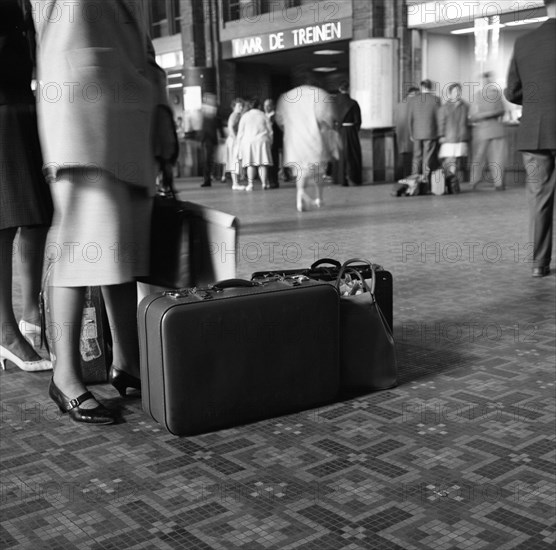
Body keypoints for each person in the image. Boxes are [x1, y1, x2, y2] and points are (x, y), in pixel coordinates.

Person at [34, 0, 177, 424]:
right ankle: (65, 376)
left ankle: (128, 362)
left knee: (122, 245)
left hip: (128, 111)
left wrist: (161, 108)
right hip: (83, 105)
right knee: (81, 243)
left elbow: (138, 37)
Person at [0, 0, 53, 373]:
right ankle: (5, 331)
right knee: (3, 223)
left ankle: (31, 317)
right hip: (2, 104)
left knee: (37, 216)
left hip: (25, 103)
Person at [505, 0, 556, 277]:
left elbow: (512, 91)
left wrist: (537, 101)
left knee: (539, 199)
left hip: (535, 132)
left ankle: (539, 264)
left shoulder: (524, 42)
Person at [276, 74, 336, 212]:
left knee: (300, 171)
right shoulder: (320, 95)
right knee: (317, 171)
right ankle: (319, 198)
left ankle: (299, 198)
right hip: (315, 139)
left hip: (295, 141)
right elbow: (326, 121)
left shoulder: (287, 97)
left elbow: (280, 121)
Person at [469, 71, 507, 191]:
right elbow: (502, 111)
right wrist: (492, 113)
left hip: (483, 131)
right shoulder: (497, 95)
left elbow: (473, 116)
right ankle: (498, 183)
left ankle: (474, 182)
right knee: (497, 158)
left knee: (479, 158)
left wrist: (484, 115)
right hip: (497, 130)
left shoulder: (478, 96)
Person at [408, 79, 442, 189]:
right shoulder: (436, 99)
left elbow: (410, 118)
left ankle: (414, 180)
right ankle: (426, 181)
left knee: (416, 156)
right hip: (431, 132)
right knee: (428, 157)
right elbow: (439, 118)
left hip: (417, 132)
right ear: (431, 87)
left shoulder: (413, 100)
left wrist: (411, 133)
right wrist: (440, 133)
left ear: (422, 87)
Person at [236, 97, 273, 191]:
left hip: (249, 142)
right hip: (262, 141)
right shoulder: (263, 115)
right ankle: (264, 183)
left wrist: (238, 145)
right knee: (263, 163)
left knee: (250, 164)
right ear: (259, 106)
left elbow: (240, 133)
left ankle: (251, 184)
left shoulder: (245, 116)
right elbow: (270, 131)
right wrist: (270, 141)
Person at [438, 83, 470, 186]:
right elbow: (441, 122)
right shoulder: (445, 107)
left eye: (459, 91)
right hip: (449, 137)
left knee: (455, 161)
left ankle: (451, 182)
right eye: (455, 91)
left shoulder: (465, 105)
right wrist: (441, 135)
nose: (457, 93)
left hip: (460, 137)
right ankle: (447, 181)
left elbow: (468, 119)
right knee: (449, 160)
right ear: (450, 93)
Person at [335, 81, 362, 186]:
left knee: (340, 155)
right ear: (348, 89)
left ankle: (340, 179)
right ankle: (353, 178)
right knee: (352, 155)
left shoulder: (334, 103)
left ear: (339, 89)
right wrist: (355, 130)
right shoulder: (353, 103)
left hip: (338, 131)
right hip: (350, 131)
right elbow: (358, 120)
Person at [199, 93, 222, 188]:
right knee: (209, 160)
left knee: (207, 160)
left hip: (208, 140)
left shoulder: (207, 115)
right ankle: (209, 178)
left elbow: (205, 129)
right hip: (212, 140)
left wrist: (201, 140)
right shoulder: (214, 114)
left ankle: (207, 179)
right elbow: (218, 126)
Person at [395, 86, 419, 178]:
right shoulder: (414, 103)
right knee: (411, 159)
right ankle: (409, 177)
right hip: (411, 135)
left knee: (402, 158)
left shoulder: (400, 103)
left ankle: (399, 177)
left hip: (401, 135)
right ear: (415, 93)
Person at [225, 98, 245, 190]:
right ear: (234, 107)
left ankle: (236, 182)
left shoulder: (237, 115)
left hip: (234, 140)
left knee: (235, 161)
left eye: (241, 105)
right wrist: (236, 139)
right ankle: (235, 183)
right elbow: (230, 128)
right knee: (235, 161)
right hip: (234, 140)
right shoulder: (235, 115)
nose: (241, 107)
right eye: (238, 105)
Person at [264, 98, 282, 189]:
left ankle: (274, 181)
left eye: (268, 105)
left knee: (274, 162)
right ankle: (268, 180)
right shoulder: (262, 116)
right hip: (265, 142)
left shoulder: (276, 116)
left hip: (274, 143)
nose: (266, 107)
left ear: (273, 106)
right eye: (265, 105)